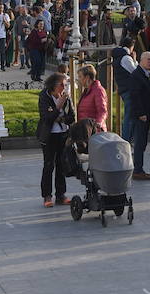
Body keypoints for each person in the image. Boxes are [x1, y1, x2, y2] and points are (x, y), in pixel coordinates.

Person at [38, 72, 75, 207]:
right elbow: (46, 118)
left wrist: (60, 118)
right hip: (49, 136)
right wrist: (58, 107)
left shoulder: (66, 97)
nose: (64, 87)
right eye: (62, 84)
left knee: (62, 165)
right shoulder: (44, 97)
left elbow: (72, 117)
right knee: (49, 165)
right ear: (53, 85)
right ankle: (47, 196)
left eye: (65, 85)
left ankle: (61, 195)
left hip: (63, 134)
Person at [127, 51, 150, 180]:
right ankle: (138, 170)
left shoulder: (145, 74)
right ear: (141, 60)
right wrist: (141, 113)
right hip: (141, 115)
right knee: (139, 143)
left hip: (145, 113)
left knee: (142, 142)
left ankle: (138, 168)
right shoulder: (136, 75)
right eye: (149, 60)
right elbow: (135, 96)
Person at [74, 64, 108, 133]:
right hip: (86, 130)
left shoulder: (98, 90)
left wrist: (98, 124)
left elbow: (102, 111)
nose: (79, 79)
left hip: (94, 132)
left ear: (87, 77)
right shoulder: (87, 91)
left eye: (80, 77)